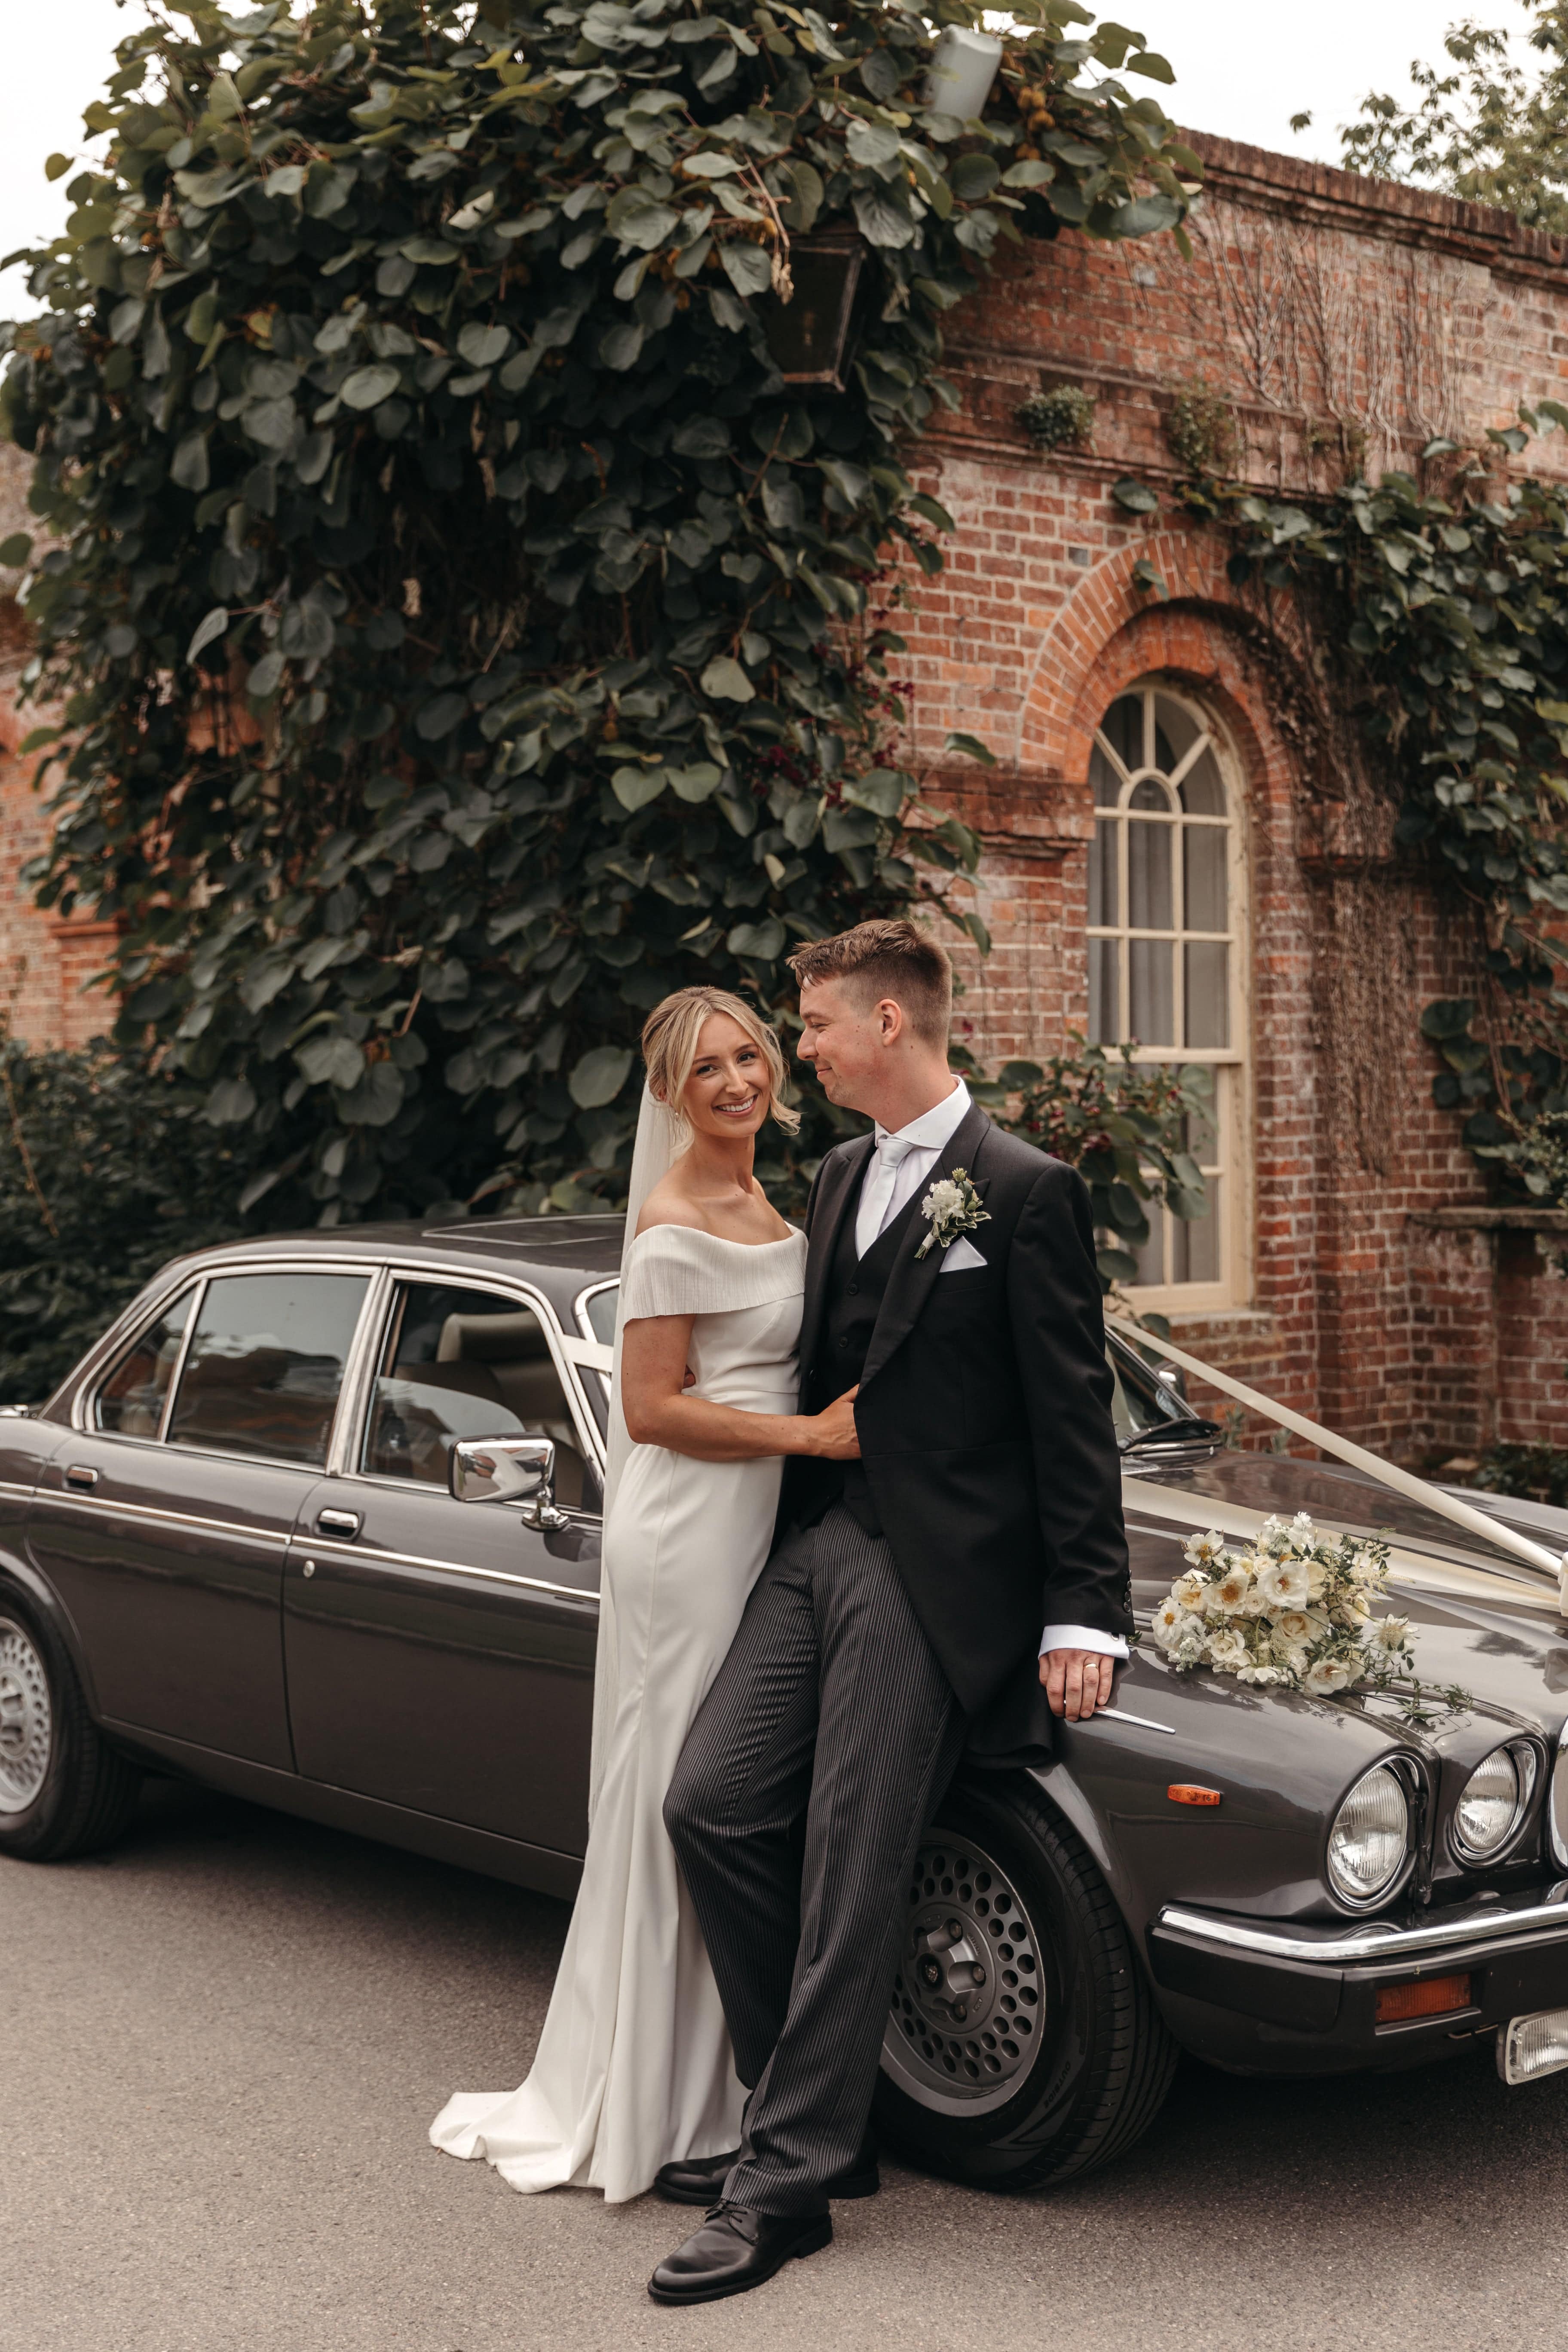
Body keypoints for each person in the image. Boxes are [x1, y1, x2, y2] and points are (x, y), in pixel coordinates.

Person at [648, 919, 1131, 2306]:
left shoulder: (1024, 1191)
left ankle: (787, 2178)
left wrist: (1081, 1614)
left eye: (811, 1025)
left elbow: (1072, 1419)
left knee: (858, 1856)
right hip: (820, 1543)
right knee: (714, 1805)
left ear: (888, 1028)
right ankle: (823, 2117)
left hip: (941, 1575)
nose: (798, 1047)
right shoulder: (843, 1169)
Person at [429, 986, 859, 2201]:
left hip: (754, 1519)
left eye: (748, 1057)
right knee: (684, 1791)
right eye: (705, 1070)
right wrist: (815, 1442)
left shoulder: (767, 1193)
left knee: (720, 1790)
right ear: (668, 1094)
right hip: (688, 1537)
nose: (735, 1082)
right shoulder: (674, 1221)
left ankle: (730, 2079)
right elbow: (652, 1410)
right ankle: (665, 2101)